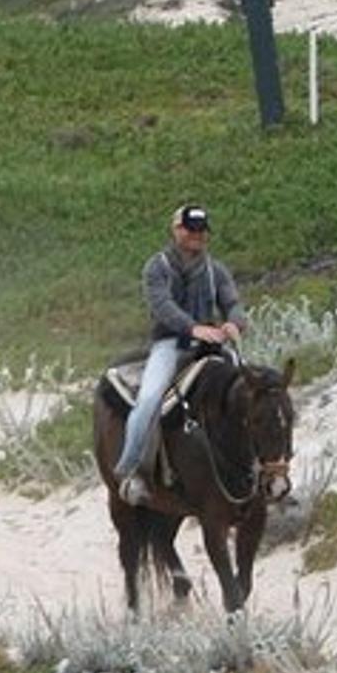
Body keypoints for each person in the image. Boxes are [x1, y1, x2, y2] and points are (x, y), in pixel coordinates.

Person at [114, 203, 247, 506]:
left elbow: (232, 301)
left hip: (210, 345)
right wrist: (193, 328)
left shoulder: (217, 270)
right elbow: (162, 307)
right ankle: (130, 469)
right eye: (191, 229)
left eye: (202, 230)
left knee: (251, 391)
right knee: (148, 399)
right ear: (177, 230)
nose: (197, 236)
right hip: (169, 345)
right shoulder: (156, 267)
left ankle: (257, 466)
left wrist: (234, 322)